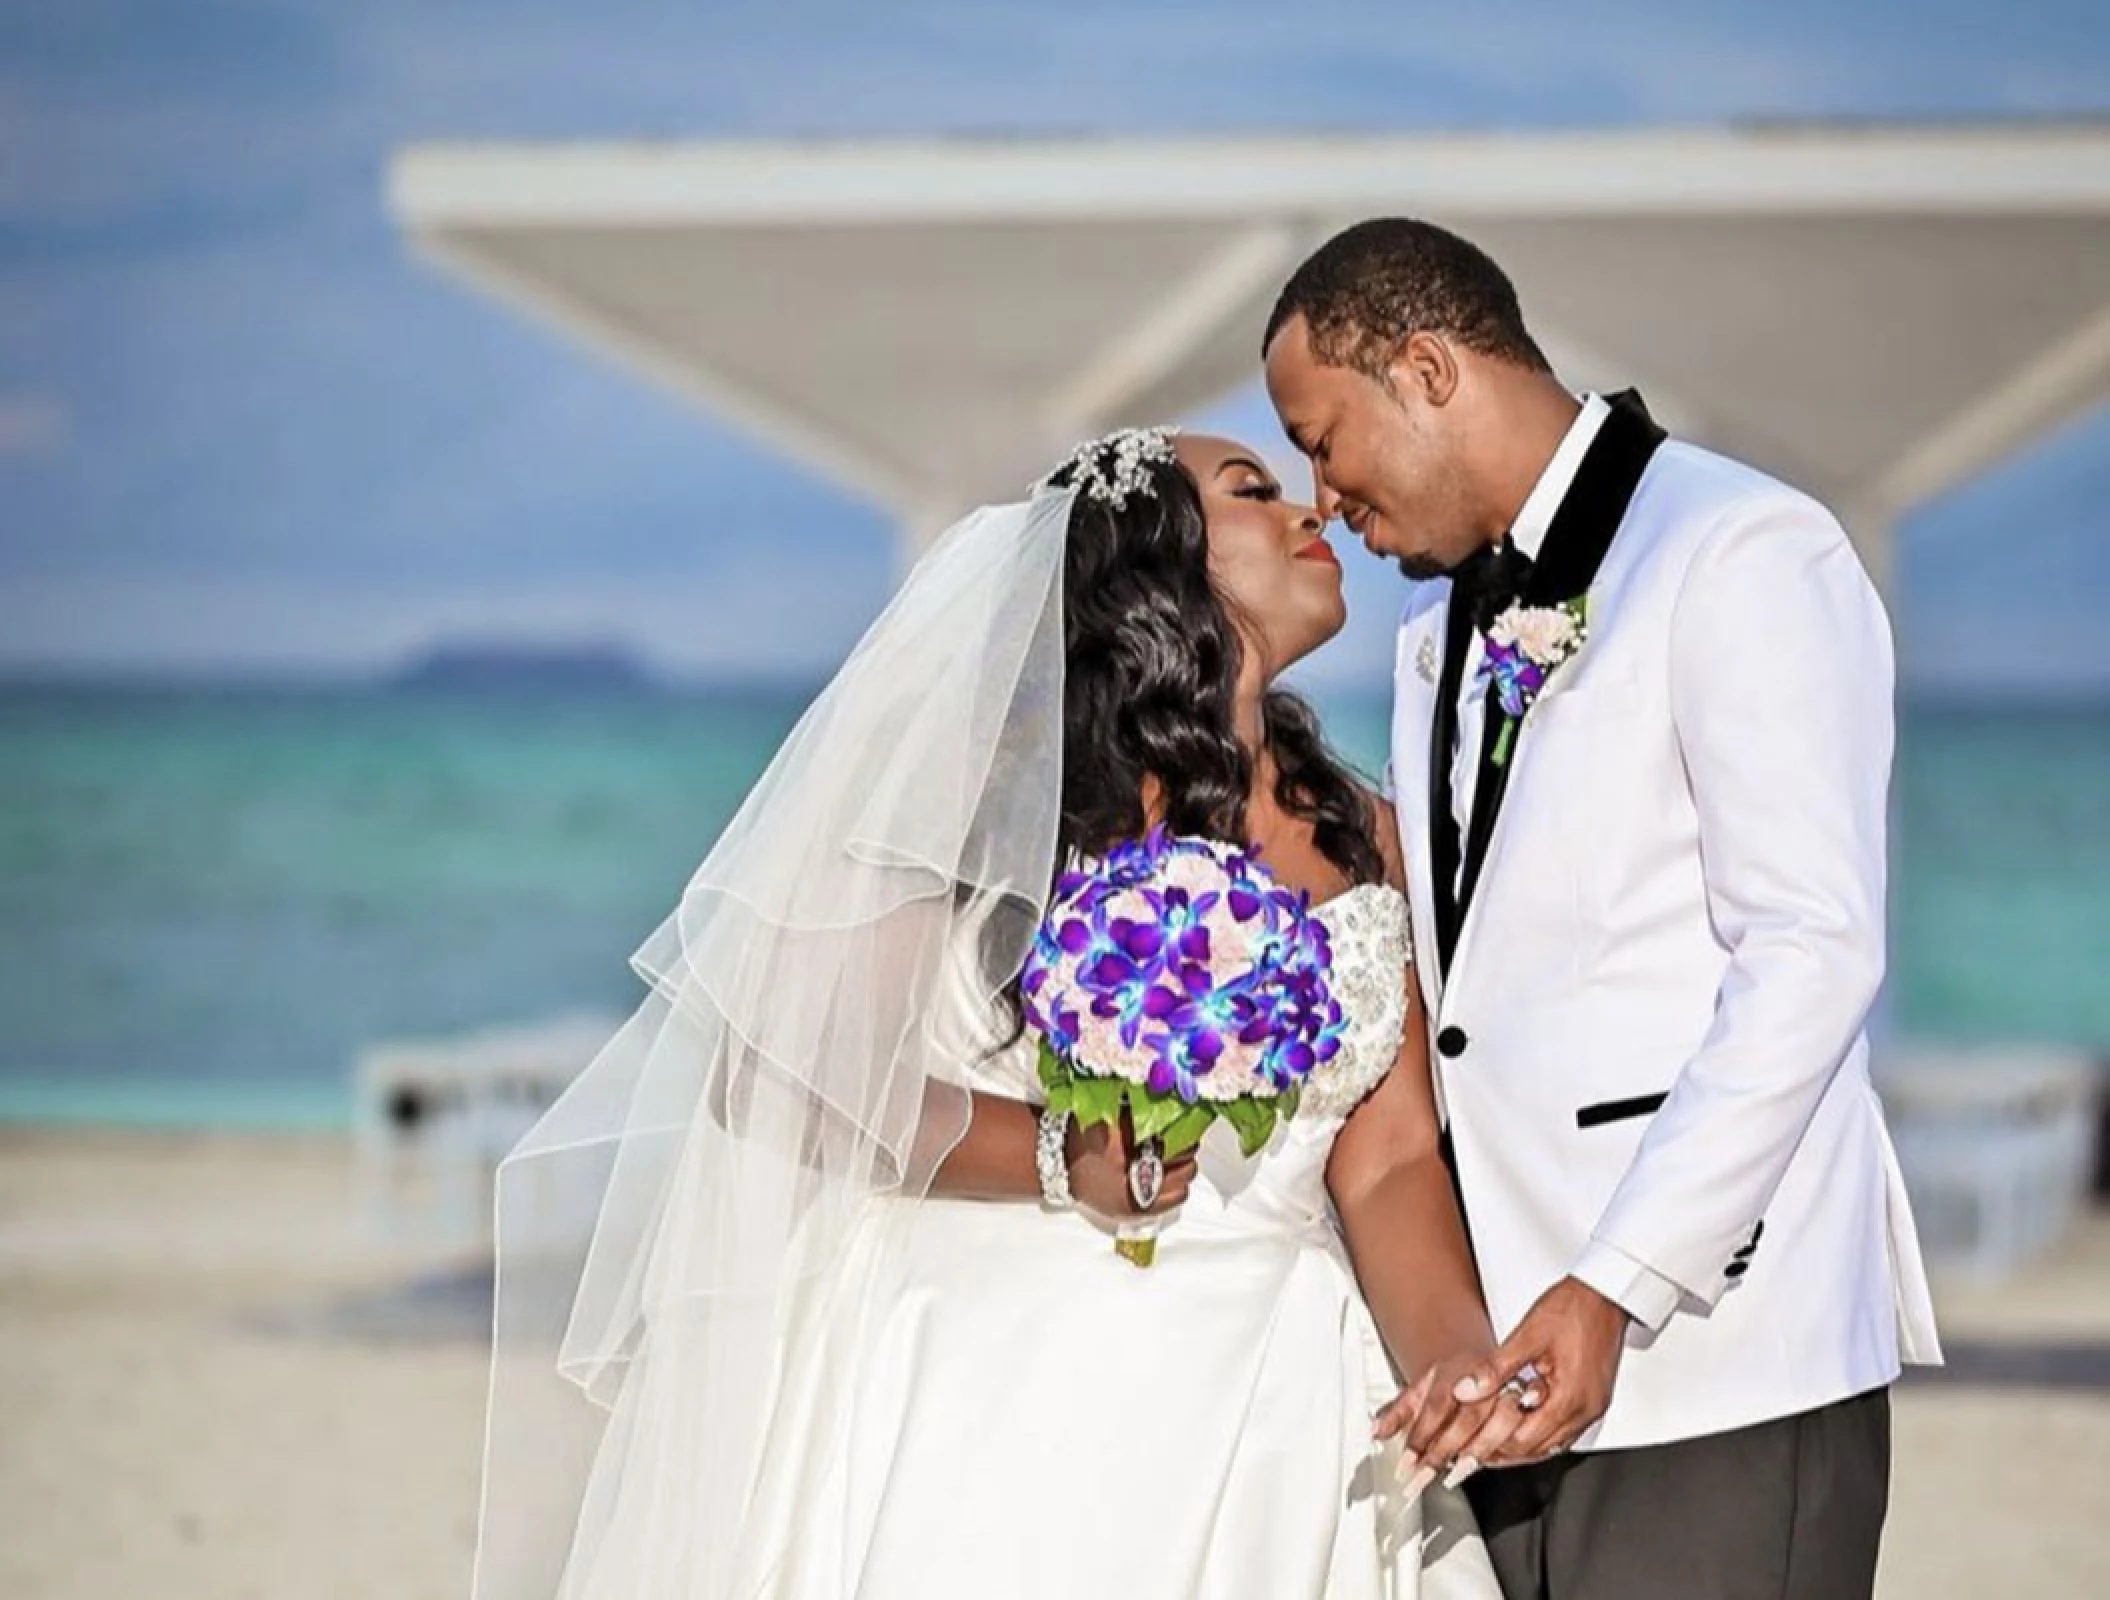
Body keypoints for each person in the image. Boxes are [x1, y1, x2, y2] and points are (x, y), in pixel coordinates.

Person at [471, 428, 1504, 1598]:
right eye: (1251, 492)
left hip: (1282, 1400)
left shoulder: (1360, 830)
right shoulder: (996, 801)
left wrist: (1455, 1354)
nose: (1309, 513)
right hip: (995, 1380)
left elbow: (1389, 1160)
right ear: (1152, 567)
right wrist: (1064, 1156)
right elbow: (778, 1072)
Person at [1263, 218, 1942, 1600]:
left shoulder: (1743, 548)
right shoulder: (1428, 633)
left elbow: (1811, 951)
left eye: (1323, 439)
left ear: (1426, 369)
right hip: (1500, 1372)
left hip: (1711, 1361)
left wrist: (1615, 1283)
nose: (1319, 496)